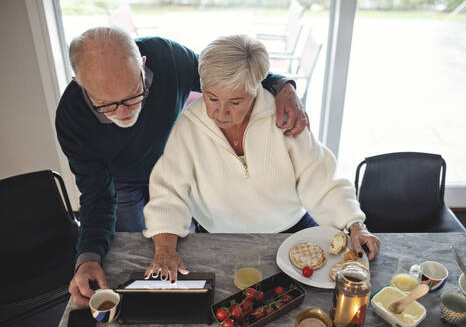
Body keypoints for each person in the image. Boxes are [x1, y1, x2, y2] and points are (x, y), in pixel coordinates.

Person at [55, 27, 308, 306]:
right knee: (134, 258)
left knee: (181, 249)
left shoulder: (168, 58)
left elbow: (228, 77)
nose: (125, 112)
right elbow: (96, 198)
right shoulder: (71, 120)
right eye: (107, 105)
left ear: (142, 65)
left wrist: (284, 86)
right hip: (122, 181)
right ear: (79, 83)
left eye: (133, 94)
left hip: (173, 165)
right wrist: (87, 259)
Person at [143, 35, 380, 283]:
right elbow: (169, 191)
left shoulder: (283, 118)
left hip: (290, 235)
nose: (220, 113)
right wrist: (165, 249)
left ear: (256, 88)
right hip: (219, 239)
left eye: (235, 101)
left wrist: (354, 224)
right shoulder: (189, 127)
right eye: (212, 98)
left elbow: (320, 177)